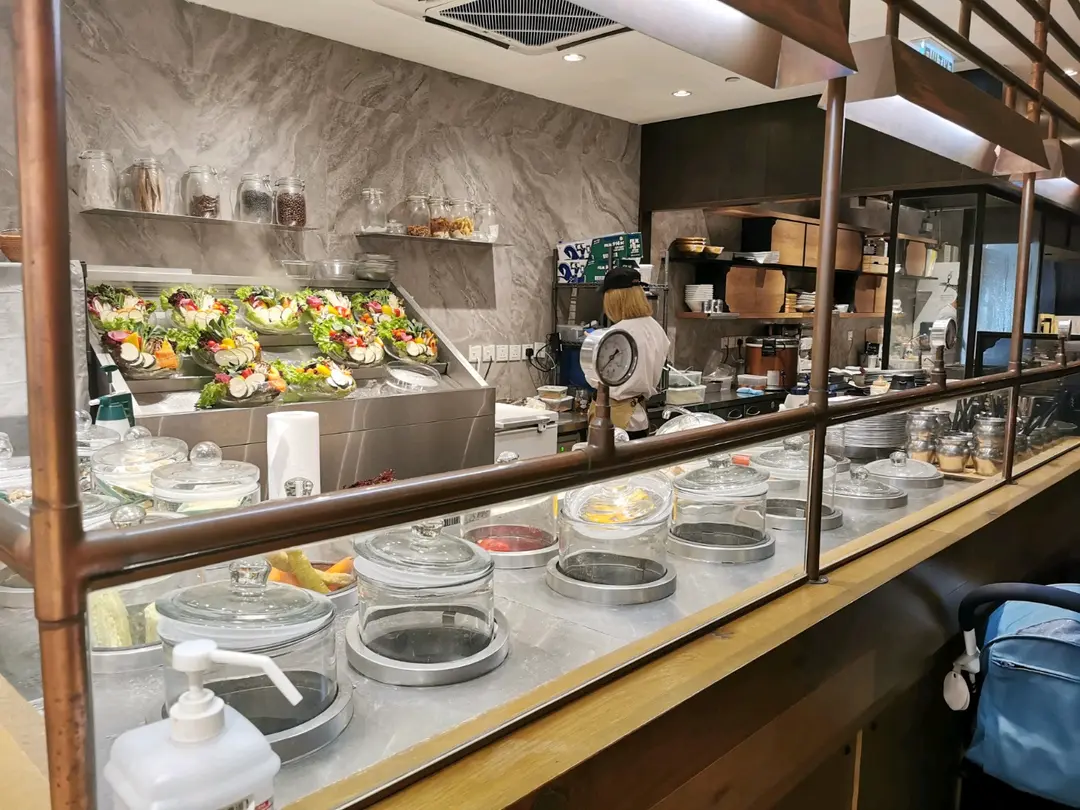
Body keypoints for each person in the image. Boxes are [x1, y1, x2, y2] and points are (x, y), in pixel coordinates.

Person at [587, 263, 670, 439]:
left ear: (614, 298)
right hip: (639, 416)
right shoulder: (657, 329)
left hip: (614, 420)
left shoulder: (616, 334)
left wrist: (591, 346)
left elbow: (596, 379)